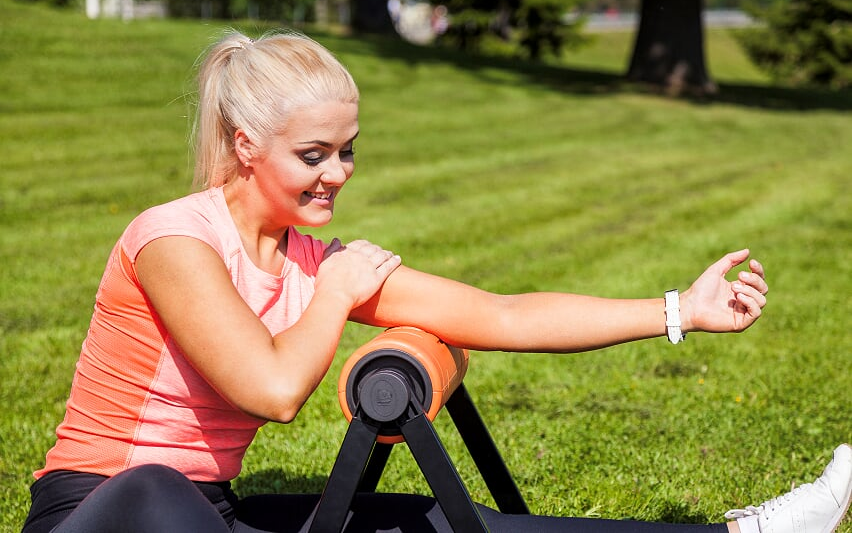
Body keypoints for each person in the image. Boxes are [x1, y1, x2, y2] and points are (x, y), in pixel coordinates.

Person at [22, 31, 851, 533]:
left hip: (210, 513)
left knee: (441, 523)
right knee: (157, 486)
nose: (338, 173)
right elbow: (270, 390)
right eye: (313, 155)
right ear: (246, 145)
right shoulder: (173, 240)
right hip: (100, 510)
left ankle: (749, 532)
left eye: (347, 150)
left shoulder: (316, 260)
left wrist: (680, 309)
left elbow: (503, 315)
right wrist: (338, 292)